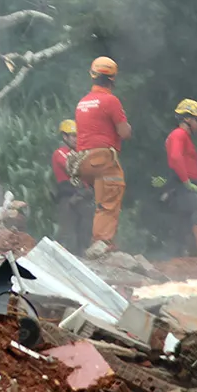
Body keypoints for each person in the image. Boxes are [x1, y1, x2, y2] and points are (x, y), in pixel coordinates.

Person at [69, 56, 132, 259]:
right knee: (111, 196)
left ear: (93, 76)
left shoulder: (82, 102)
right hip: (103, 160)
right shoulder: (110, 101)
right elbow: (124, 132)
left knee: (102, 199)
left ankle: (101, 239)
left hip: (83, 162)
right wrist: (127, 126)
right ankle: (102, 242)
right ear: (112, 79)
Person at [158, 99, 197, 257]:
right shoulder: (179, 134)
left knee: (184, 222)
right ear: (187, 118)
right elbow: (175, 157)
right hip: (180, 185)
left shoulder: (182, 137)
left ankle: (184, 253)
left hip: (180, 185)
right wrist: (187, 182)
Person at [51, 119, 93, 252]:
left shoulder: (80, 154)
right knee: (67, 235)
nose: (76, 139)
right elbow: (74, 168)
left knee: (85, 235)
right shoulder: (60, 153)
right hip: (68, 198)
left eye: (78, 136)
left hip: (83, 197)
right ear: (65, 136)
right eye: (73, 136)